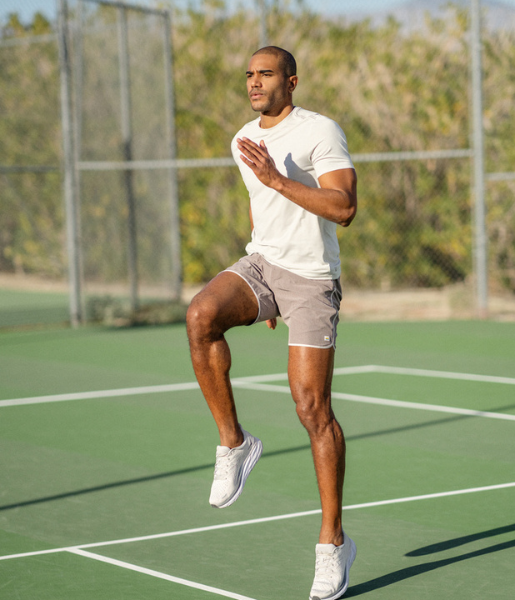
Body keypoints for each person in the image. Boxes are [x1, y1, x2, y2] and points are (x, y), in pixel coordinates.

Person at [186, 46, 357, 600]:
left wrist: (279, 179)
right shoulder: (242, 137)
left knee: (312, 409)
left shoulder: (320, 131)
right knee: (201, 315)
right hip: (262, 264)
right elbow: (262, 209)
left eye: (265, 74)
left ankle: (332, 544)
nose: (254, 83)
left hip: (311, 279)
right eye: (249, 75)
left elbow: (344, 207)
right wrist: (263, 298)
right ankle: (234, 444)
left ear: (291, 80)